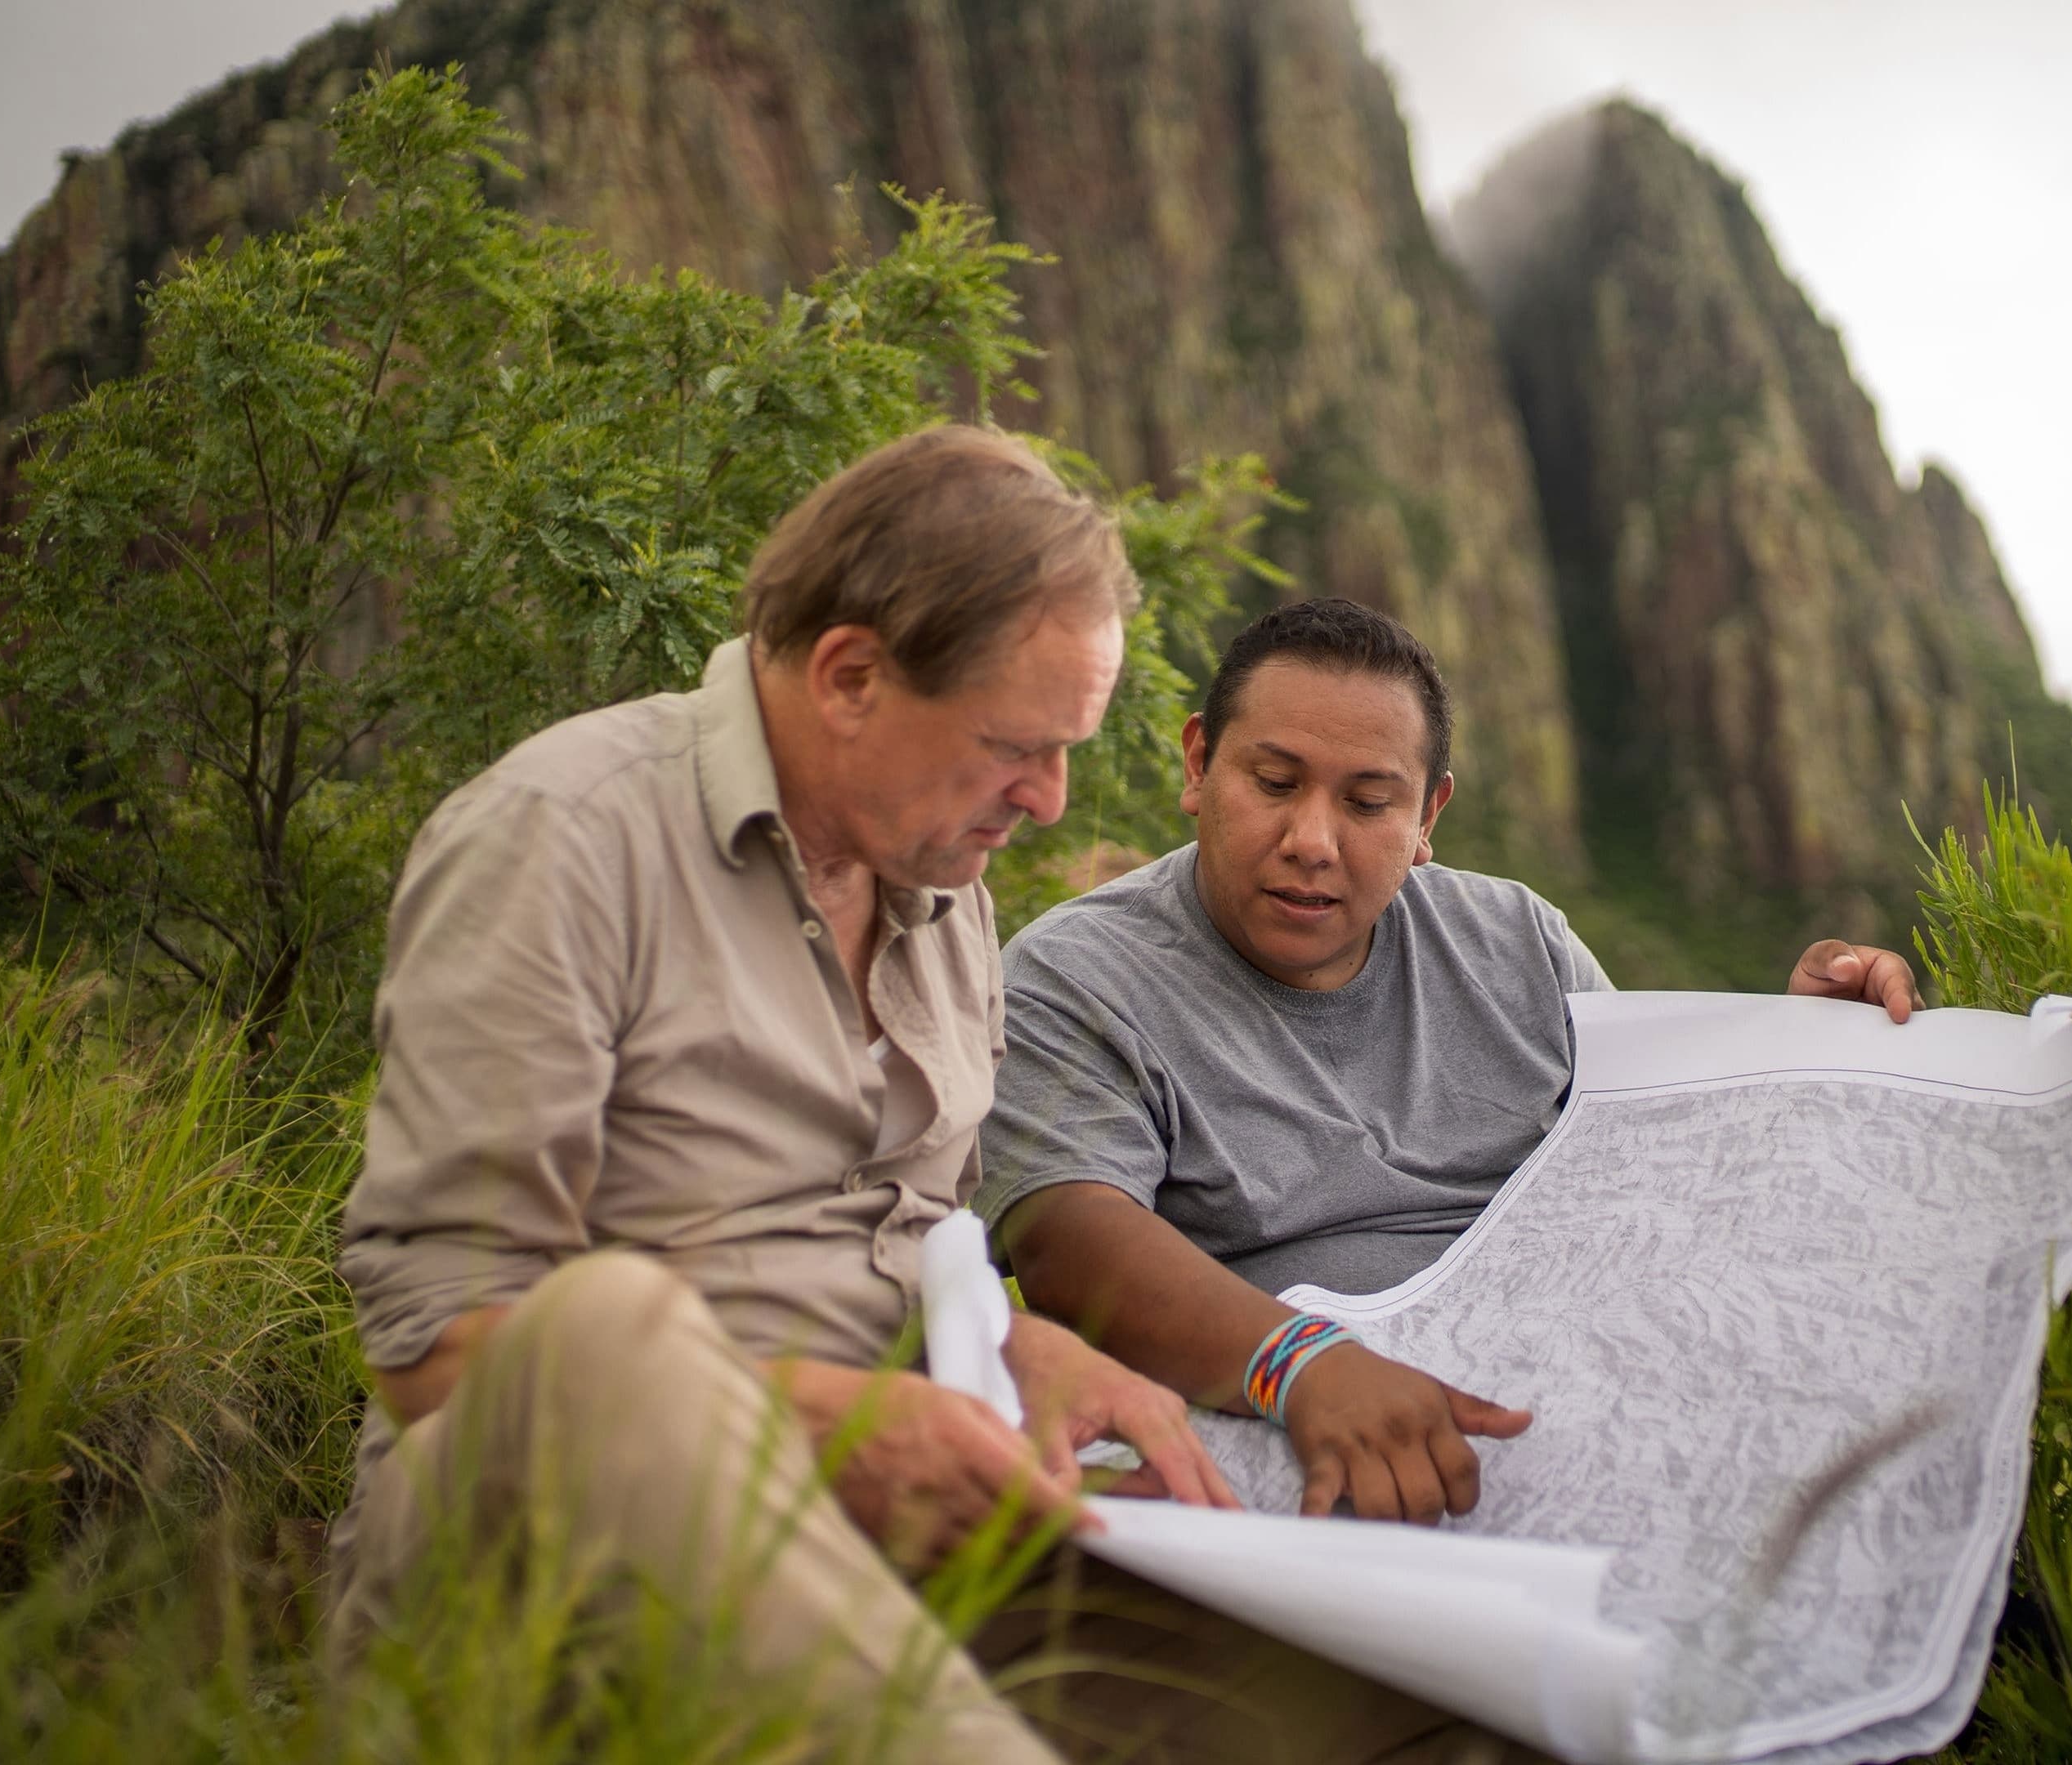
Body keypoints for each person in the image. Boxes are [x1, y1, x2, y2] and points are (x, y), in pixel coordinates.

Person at [330, 433, 1540, 1764]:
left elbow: (914, 1248)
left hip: (890, 1526)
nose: (1051, 798)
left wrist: (1015, 1352)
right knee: (607, 1330)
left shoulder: (941, 886)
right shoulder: (563, 839)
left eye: (1068, 750)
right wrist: (840, 1423)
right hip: (568, 1541)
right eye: (1016, 746)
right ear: (850, 675)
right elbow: (440, 1349)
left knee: (1427, 1697)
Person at [978, 597, 1918, 1528]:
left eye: (1368, 802)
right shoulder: (1077, 979)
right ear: (1198, 763)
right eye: (1273, 783)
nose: (1312, 841)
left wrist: (1802, 1058)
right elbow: (1070, 1243)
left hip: (1576, 1390)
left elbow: (1649, 1155)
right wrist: (1303, 1367)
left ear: (1429, 815)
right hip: (1288, 1431)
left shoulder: (1517, 940)